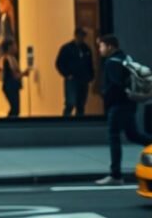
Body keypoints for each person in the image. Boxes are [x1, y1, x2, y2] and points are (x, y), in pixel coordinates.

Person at [94, 34, 152, 185]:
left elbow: (116, 85)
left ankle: (116, 175)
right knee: (134, 135)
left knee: (114, 137)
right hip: (129, 104)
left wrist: (105, 95)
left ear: (110, 47)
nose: (99, 49)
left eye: (101, 46)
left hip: (118, 106)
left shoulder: (111, 63)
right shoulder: (126, 58)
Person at [56, 27, 95, 117]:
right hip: (72, 79)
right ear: (76, 35)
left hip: (83, 79)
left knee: (81, 104)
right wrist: (67, 74)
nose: (82, 38)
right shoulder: (67, 48)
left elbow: (90, 64)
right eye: (81, 36)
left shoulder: (86, 49)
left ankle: (80, 121)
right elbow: (59, 63)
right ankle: (65, 122)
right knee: (70, 102)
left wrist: (90, 76)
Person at [0, 39, 29, 118]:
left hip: (13, 87)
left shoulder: (12, 59)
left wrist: (22, 74)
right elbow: (13, 75)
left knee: (15, 108)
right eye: (14, 45)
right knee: (15, 108)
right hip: (10, 87)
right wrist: (23, 74)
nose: (16, 47)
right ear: (9, 47)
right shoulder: (7, 60)